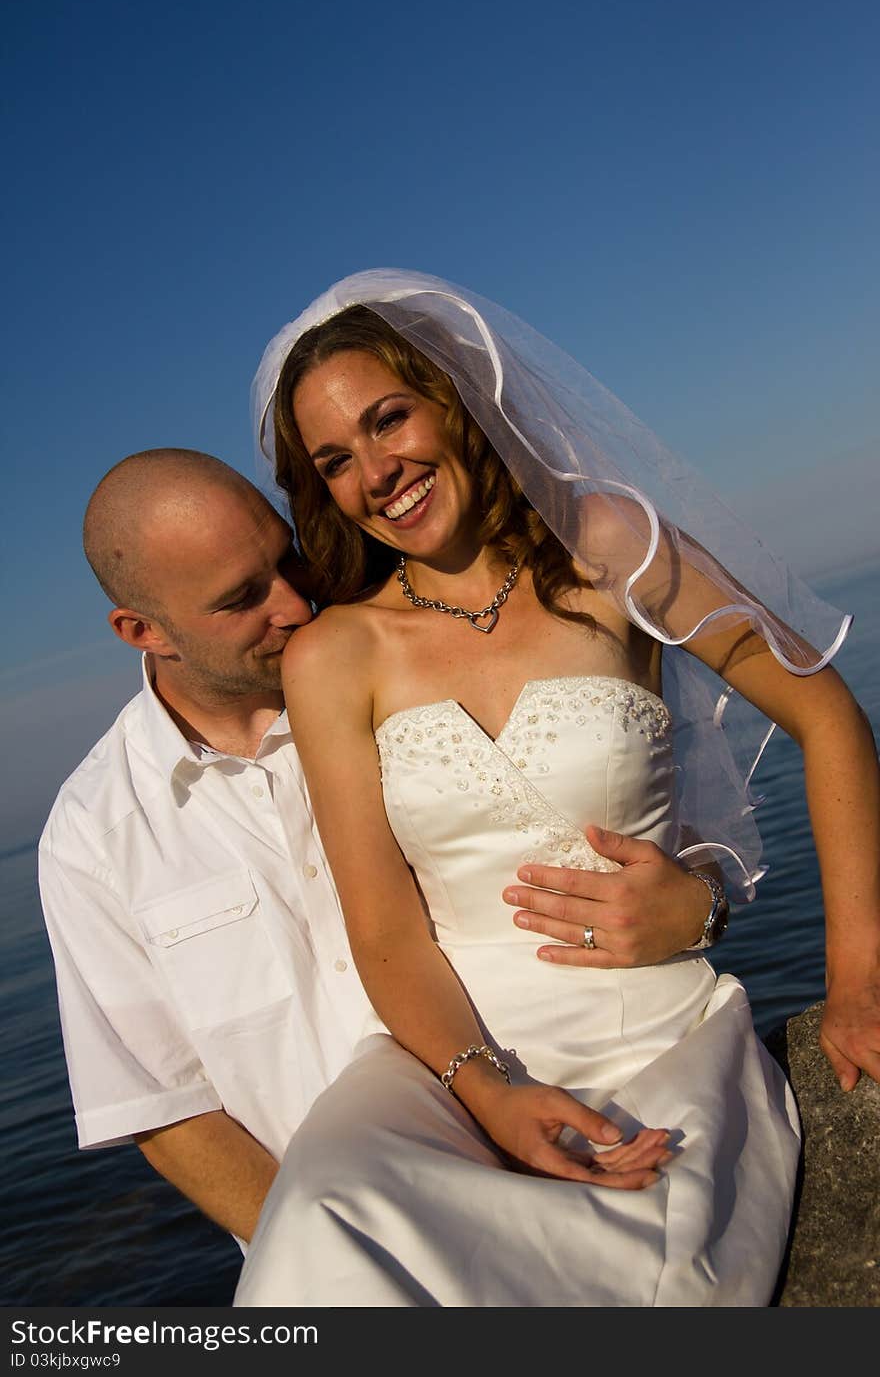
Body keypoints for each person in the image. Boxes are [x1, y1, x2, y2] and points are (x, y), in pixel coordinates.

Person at [233, 269, 879, 1307]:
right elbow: (386, 929)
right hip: (449, 1063)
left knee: (652, 1266)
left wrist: (855, 976)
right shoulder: (333, 656)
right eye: (335, 462)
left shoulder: (608, 545)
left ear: (452, 395)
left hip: (653, 1032)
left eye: (388, 418)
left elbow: (825, 712)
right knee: (324, 1221)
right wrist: (490, 1094)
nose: (376, 472)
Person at [38, 449, 711, 1254]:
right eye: (241, 600)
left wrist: (703, 909)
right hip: (367, 1244)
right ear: (142, 631)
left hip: (570, 1117)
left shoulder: (400, 680)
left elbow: (636, 840)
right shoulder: (92, 840)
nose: (292, 603)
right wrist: (324, 1260)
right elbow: (167, 1109)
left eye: (285, 558)